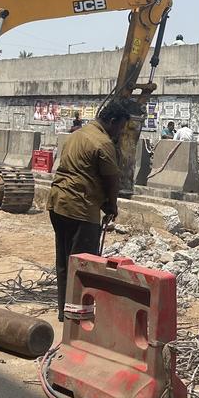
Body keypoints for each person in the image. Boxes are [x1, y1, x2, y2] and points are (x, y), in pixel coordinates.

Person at [47, 97, 143, 322]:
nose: (120, 132)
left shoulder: (77, 134)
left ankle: (65, 312)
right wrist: (112, 205)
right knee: (84, 264)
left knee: (64, 262)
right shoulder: (103, 143)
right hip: (80, 208)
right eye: (120, 127)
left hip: (57, 203)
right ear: (111, 121)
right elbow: (112, 180)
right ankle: (79, 315)